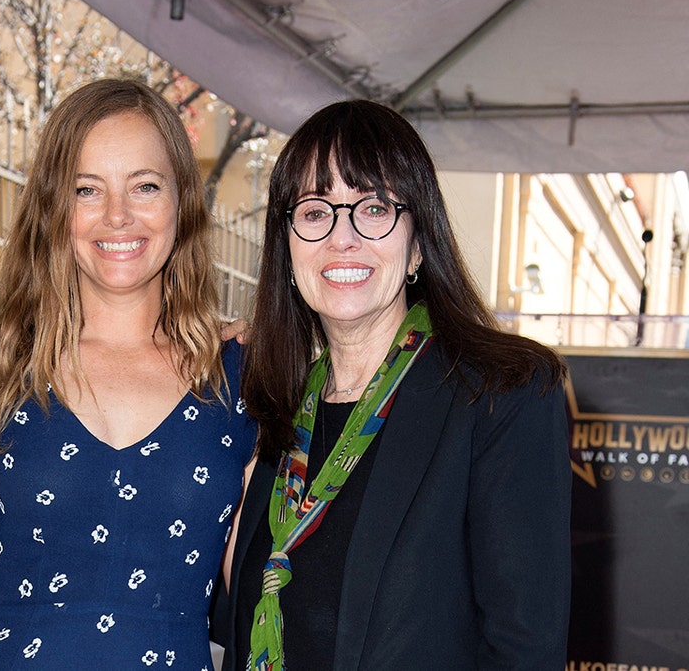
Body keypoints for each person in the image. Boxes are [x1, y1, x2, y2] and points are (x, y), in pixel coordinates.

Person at [211, 99, 571, 670]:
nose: (342, 238)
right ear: (287, 247)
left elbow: (525, 648)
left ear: (419, 244)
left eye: (373, 207)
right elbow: (239, 614)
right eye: (314, 211)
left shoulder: (501, 395)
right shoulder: (273, 414)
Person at [0, 78, 257, 669]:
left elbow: (264, 596)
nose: (118, 216)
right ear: (53, 208)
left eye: (145, 186)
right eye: (88, 189)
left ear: (183, 201)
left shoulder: (240, 379)